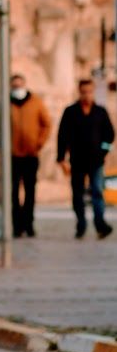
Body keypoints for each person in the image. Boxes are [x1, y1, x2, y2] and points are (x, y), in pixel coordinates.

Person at [56, 78, 114, 238]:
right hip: (77, 161)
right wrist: (61, 158)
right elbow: (62, 136)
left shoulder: (100, 112)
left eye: (89, 92)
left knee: (97, 192)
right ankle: (81, 224)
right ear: (79, 92)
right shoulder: (70, 112)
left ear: (93, 92)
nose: (86, 95)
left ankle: (100, 224)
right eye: (83, 92)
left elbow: (110, 136)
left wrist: (103, 152)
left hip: (96, 161)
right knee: (77, 194)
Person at [9, 72, 51, 238]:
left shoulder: (36, 102)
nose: (17, 89)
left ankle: (28, 224)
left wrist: (39, 143)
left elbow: (46, 124)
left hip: (30, 154)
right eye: (15, 86)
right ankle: (16, 225)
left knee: (30, 191)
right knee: (13, 192)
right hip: (13, 155)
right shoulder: (6, 103)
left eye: (19, 85)